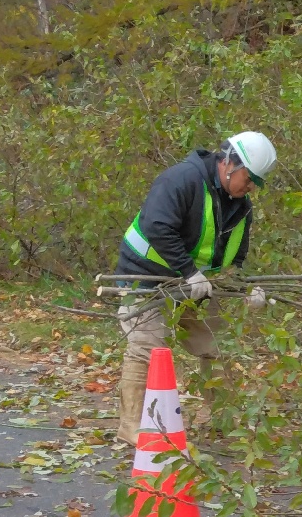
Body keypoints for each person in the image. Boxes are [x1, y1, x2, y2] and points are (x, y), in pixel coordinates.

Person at [113, 130, 277, 443]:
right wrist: (189, 272)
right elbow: (156, 227)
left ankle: (220, 419)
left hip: (195, 285)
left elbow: (235, 259)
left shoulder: (241, 208)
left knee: (216, 343)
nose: (252, 186)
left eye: (258, 182)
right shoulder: (182, 180)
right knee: (147, 346)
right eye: (250, 178)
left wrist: (245, 289)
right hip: (145, 275)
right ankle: (131, 427)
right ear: (230, 163)